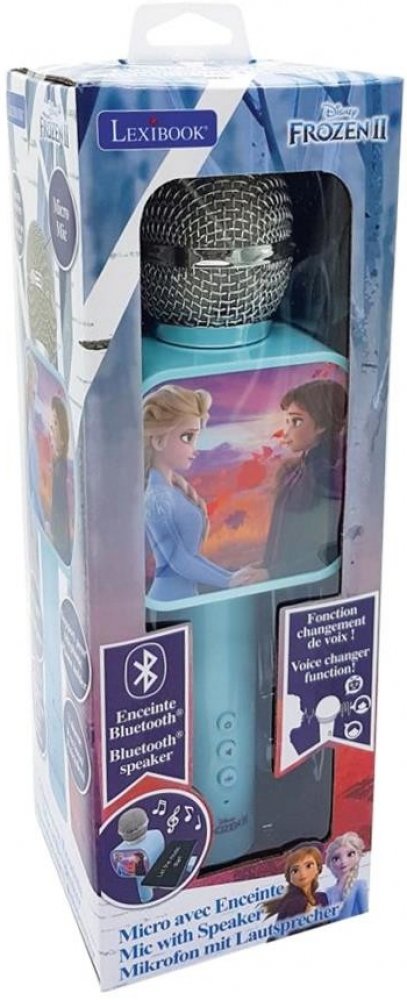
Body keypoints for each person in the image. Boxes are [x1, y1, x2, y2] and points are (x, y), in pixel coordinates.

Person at [235, 379, 347, 585]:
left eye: (296, 422)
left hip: (309, 590)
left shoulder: (327, 478)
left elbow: (329, 552)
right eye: (287, 421)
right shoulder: (296, 470)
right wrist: (265, 566)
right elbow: (288, 539)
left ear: (322, 425)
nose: (285, 432)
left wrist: (272, 574)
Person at [144, 384, 239, 601]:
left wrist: (233, 578)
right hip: (169, 597)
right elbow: (179, 560)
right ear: (158, 441)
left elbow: (190, 557)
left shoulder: (172, 491)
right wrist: (230, 581)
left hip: (185, 595)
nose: (195, 449)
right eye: (187, 437)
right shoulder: (157, 497)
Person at [263, 845, 328, 925]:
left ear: (318, 868)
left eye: (308, 866)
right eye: (295, 870)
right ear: (289, 877)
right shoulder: (293, 903)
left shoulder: (322, 897)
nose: (302, 873)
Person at [49, 395, 72, 564]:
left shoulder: (63, 469)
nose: (51, 430)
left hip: (63, 546)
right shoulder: (58, 466)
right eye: (51, 425)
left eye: (55, 424)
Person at [325, 832, 368, 918]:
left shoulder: (359, 885)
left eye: (350, 854)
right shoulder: (329, 891)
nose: (343, 861)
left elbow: (364, 911)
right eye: (336, 858)